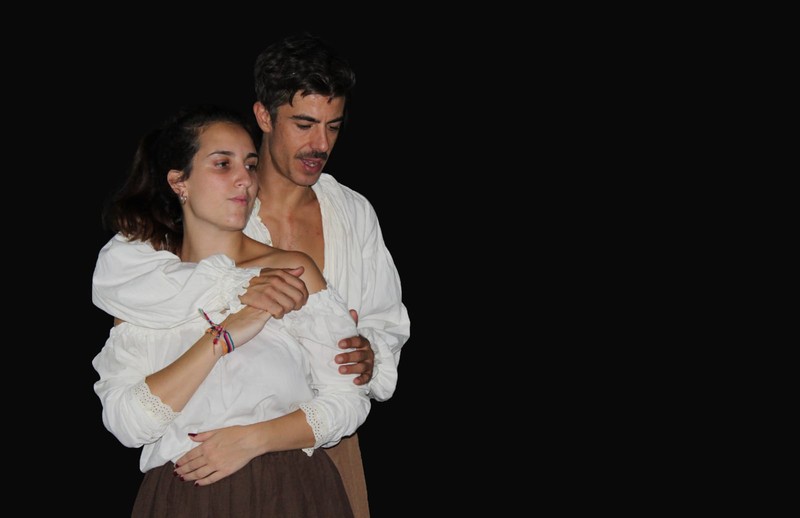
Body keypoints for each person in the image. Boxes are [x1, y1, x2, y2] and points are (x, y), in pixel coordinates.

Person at [92, 33, 410, 517]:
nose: (320, 144)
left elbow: (379, 331)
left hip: (314, 445)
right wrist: (236, 311)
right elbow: (122, 281)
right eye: (304, 124)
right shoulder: (172, 238)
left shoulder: (351, 212)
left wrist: (370, 354)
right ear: (264, 116)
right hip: (194, 470)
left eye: (333, 127)